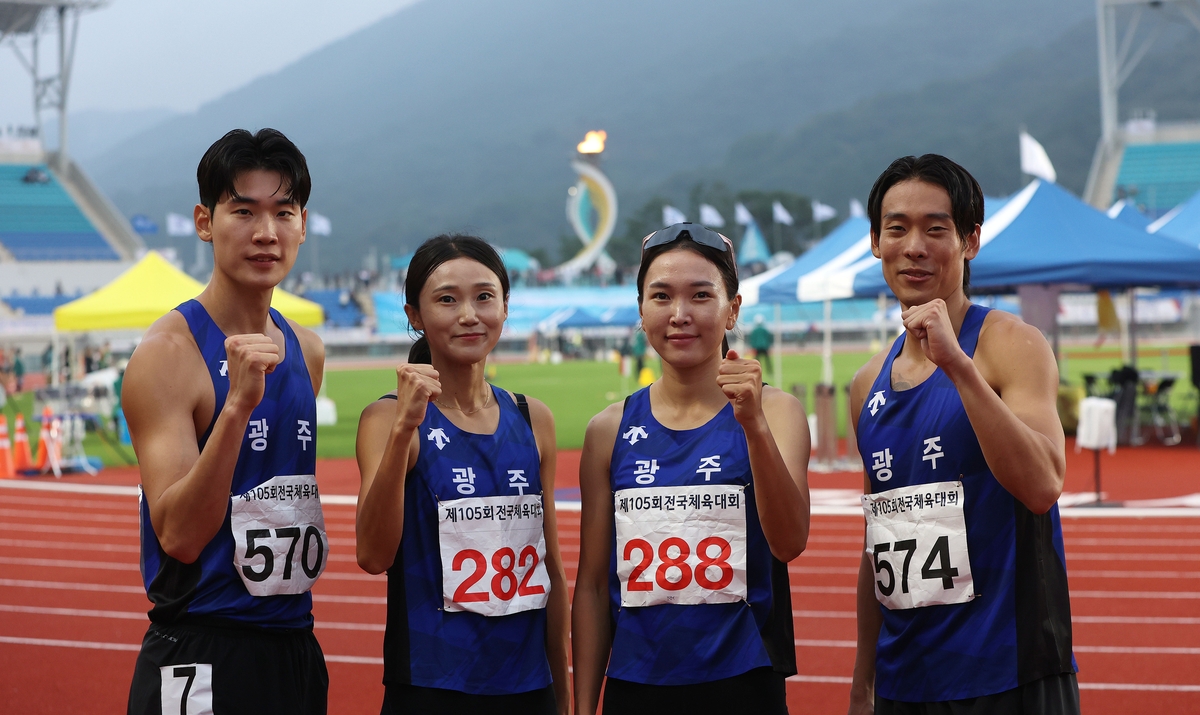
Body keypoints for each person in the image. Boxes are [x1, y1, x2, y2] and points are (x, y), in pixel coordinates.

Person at [846, 155, 1077, 715]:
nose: (914, 246)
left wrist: (960, 367)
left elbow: (1043, 484)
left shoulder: (1010, 344)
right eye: (896, 228)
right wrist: (863, 678)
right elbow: (884, 535)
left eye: (936, 229)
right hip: (907, 677)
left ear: (970, 240)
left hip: (1009, 669)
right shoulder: (865, 384)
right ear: (876, 242)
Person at [123, 128, 329, 714]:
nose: (266, 233)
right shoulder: (169, 355)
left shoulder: (305, 350)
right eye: (244, 211)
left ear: (303, 223)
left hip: (294, 646)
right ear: (204, 221)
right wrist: (237, 407)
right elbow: (182, 536)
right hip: (201, 648)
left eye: (282, 212)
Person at [572, 222, 811, 715]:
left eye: (701, 295)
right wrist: (581, 704)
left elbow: (789, 542)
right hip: (635, 686)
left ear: (733, 310)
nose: (680, 314)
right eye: (661, 296)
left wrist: (754, 427)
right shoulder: (606, 431)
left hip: (745, 682)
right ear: (641, 311)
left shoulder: (777, 411)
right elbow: (594, 585)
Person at [355, 234, 570, 715]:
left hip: (528, 687)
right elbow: (372, 554)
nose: (469, 315)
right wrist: (405, 428)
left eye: (484, 297)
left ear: (506, 306)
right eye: (447, 300)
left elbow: (549, 566)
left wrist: (562, 691)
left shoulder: (533, 418)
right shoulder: (386, 419)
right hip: (433, 686)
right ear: (414, 316)